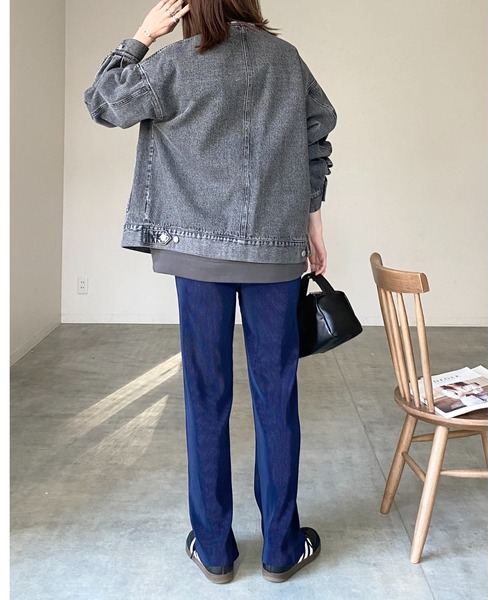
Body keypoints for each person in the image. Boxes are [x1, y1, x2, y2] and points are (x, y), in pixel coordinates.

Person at [84, 0, 337, 585]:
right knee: (277, 396)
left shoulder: (173, 62)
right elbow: (316, 136)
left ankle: (216, 550)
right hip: (275, 250)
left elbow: (104, 101)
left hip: (195, 252)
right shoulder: (286, 60)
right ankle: (281, 549)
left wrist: (142, 35)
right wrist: (312, 219)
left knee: (205, 395)